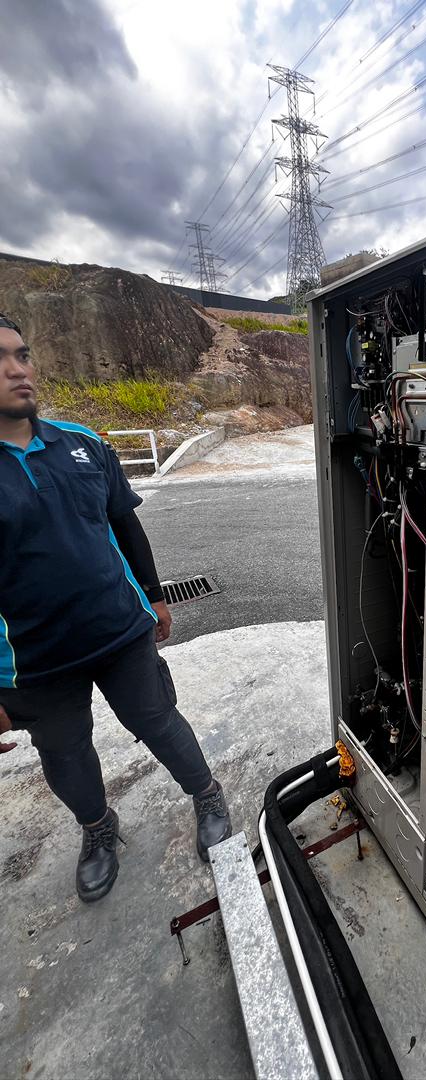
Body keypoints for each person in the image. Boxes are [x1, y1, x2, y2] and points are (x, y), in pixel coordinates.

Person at [0, 313, 231, 902]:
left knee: (157, 720)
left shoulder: (82, 444)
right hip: (34, 660)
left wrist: (153, 596)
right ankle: (98, 830)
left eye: (22, 355)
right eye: (0, 361)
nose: (17, 370)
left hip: (119, 628)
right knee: (65, 753)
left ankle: (206, 793)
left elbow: (124, 525)